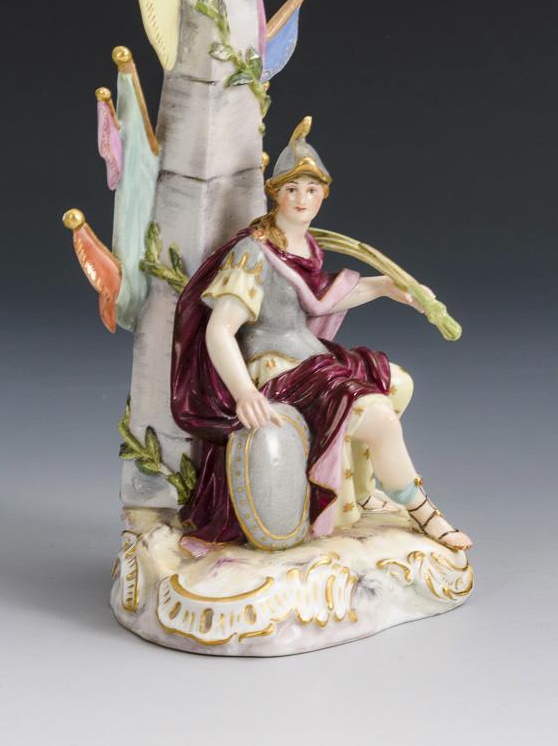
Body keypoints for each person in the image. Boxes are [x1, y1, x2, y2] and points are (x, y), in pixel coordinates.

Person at [170, 117, 472, 557]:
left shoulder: (304, 246)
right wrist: (243, 392)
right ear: (275, 193)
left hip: (307, 357)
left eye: (311, 190)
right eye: (292, 189)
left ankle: (360, 493)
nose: (302, 199)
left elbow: (320, 299)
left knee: (398, 384)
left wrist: (386, 286)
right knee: (380, 417)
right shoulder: (253, 253)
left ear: (323, 195)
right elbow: (220, 330)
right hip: (275, 368)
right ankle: (422, 510)